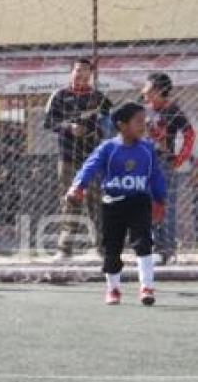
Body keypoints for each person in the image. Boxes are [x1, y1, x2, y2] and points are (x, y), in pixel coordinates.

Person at [66, 102, 166, 306]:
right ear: (122, 125)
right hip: (112, 204)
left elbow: (156, 175)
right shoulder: (108, 148)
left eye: (144, 121)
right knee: (112, 248)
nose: (143, 125)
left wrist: (159, 199)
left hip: (139, 202)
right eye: (138, 121)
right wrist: (78, 186)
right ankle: (113, 289)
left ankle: (146, 287)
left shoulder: (147, 149)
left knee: (144, 243)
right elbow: (89, 167)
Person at [44, 58, 113, 261]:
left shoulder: (99, 98)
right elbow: (48, 122)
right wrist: (69, 127)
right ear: (71, 72)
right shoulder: (59, 95)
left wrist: (97, 131)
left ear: (90, 75)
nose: (81, 75)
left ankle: (100, 248)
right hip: (67, 158)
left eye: (85, 72)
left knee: (96, 203)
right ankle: (65, 250)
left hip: (93, 159)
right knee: (70, 201)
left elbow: (113, 122)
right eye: (77, 71)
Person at [141, 72, 195, 265]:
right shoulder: (142, 110)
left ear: (157, 90)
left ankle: (168, 250)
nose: (143, 91)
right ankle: (154, 248)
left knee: (166, 206)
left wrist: (180, 159)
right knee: (146, 206)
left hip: (164, 163)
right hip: (143, 164)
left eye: (147, 87)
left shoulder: (173, 110)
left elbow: (189, 134)